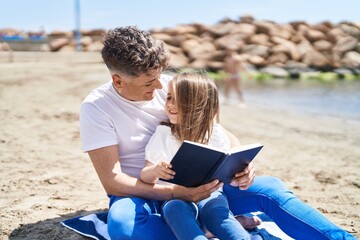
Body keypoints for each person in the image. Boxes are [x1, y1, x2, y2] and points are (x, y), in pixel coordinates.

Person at [79, 26, 356, 239]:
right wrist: (178, 193)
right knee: (123, 228)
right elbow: (113, 181)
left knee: (272, 190)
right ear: (118, 80)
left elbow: (218, 132)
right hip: (143, 193)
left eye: (159, 77)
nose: (161, 89)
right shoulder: (97, 108)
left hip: (207, 186)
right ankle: (208, 228)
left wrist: (243, 165)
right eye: (149, 83)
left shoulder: (171, 87)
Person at [140, 72, 261, 240]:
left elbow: (230, 170)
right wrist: (156, 171)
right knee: (174, 210)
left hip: (210, 194)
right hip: (175, 197)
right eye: (169, 98)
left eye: (179, 100)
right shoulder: (164, 134)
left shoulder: (215, 133)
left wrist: (241, 173)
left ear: (199, 104)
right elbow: (145, 175)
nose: (171, 105)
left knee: (218, 212)